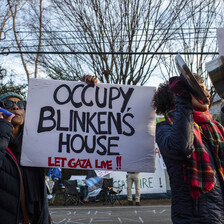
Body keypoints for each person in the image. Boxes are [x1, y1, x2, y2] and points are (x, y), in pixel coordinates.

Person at [0, 74, 97, 223]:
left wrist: (84, 90)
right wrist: (3, 129)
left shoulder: (37, 140)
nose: (15, 107)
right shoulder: (2, 141)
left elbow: (68, 119)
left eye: (21, 105)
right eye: (8, 103)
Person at [152, 74, 224, 224]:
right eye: (201, 90)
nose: (208, 94)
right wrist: (184, 102)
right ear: (183, 94)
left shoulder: (213, 128)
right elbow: (180, 148)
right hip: (196, 218)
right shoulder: (165, 128)